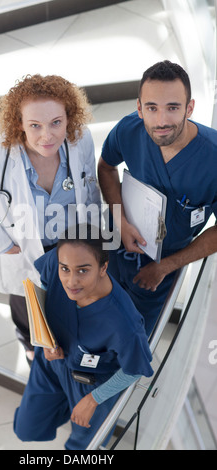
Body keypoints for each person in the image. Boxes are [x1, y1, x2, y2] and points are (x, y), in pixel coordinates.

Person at [0, 74, 101, 364]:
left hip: (69, 246)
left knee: (68, 304)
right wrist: (0, 242)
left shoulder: (80, 140)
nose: (47, 136)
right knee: (28, 308)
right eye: (35, 125)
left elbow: (90, 183)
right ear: (18, 124)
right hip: (23, 253)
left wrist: (94, 236)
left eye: (56, 122)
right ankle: (29, 345)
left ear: (69, 118)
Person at [98, 60, 217, 336]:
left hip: (162, 266)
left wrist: (166, 267)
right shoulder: (129, 130)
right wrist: (120, 220)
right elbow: (106, 167)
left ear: (190, 108)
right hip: (113, 242)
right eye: (152, 108)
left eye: (173, 108)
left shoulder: (212, 158)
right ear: (139, 108)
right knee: (97, 313)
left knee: (136, 335)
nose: (161, 121)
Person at [14, 224, 153, 450]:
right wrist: (46, 341)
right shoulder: (56, 262)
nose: (71, 281)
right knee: (27, 427)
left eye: (83, 270)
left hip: (92, 382)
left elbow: (135, 368)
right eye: (65, 269)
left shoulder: (123, 323)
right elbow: (46, 285)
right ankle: (62, 408)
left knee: (84, 448)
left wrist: (93, 400)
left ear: (103, 267)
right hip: (53, 360)